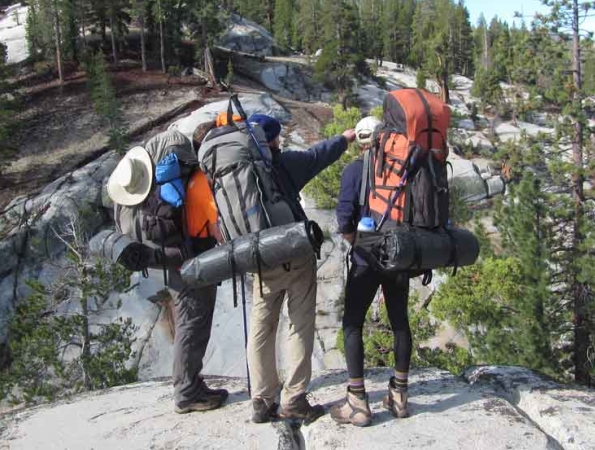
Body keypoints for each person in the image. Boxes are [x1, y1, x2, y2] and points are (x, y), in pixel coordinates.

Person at [242, 113, 356, 424]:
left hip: (258, 259)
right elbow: (317, 156)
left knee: (261, 327)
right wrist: (344, 139)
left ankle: (261, 399)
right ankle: (293, 399)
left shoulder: (238, 173)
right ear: (272, 140)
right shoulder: (284, 164)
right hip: (293, 254)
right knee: (299, 323)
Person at [106, 128, 227, 414]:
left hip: (160, 259)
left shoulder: (136, 194)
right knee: (192, 323)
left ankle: (191, 384)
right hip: (183, 259)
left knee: (188, 321)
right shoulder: (170, 164)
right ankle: (187, 392)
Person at [330, 115, 412, 427]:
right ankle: (400, 396)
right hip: (399, 255)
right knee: (400, 321)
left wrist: (358, 243)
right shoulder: (402, 169)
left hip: (367, 256)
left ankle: (358, 402)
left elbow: (344, 218)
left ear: (362, 141)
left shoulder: (354, 169)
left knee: (352, 323)